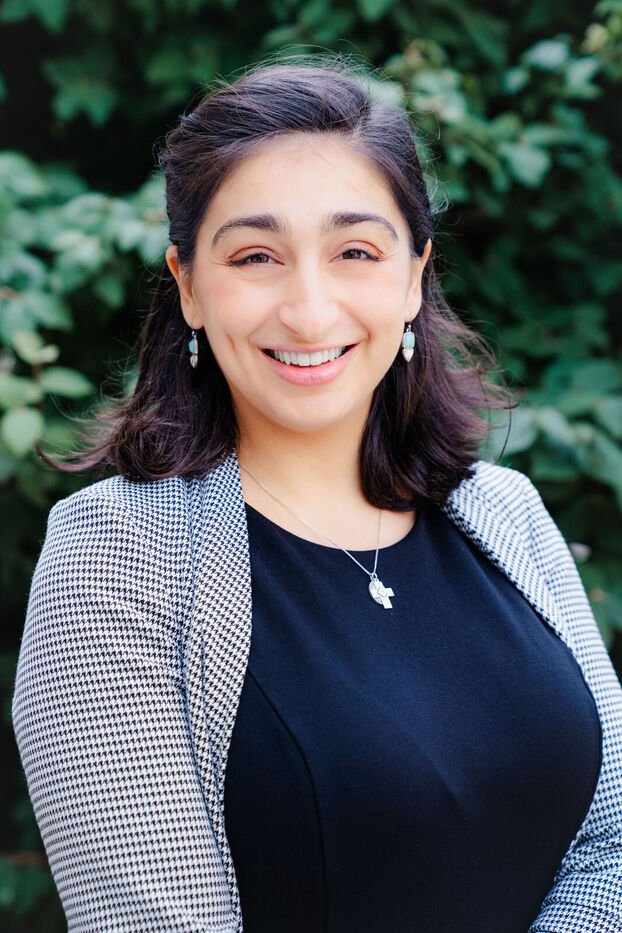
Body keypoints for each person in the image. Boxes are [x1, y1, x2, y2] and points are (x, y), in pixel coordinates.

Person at [11, 55, 622, 933]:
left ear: (413, 275)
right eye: (256, 255)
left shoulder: (506, 512)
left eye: (355, 252)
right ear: (189, 286)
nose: (308, 309)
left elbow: (612, 842)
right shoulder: (115, 560)